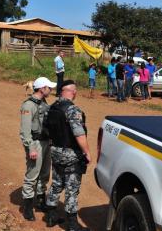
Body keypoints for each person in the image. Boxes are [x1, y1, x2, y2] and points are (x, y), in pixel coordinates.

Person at [45, 80, 91, 231]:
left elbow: (47, 129)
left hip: (55, 151)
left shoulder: (52, 107)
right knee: (72, 189)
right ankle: (72, 225)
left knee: (57, 183)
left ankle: (51, 216)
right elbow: (79, 134)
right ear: (73, 92)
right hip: (71, 154)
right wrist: (87, 152)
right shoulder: (72, 110)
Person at [20, 77, 56, 221]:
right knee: (32, 175)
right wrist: (31, 148)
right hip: (35, 143)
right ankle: (27, 208)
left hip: (46, 142)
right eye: (49, 87)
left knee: (45, 173)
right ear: (42, 88)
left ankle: (41, 201)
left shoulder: (43, 102)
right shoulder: (28, 105)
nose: (51, 90)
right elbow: (25, 130)